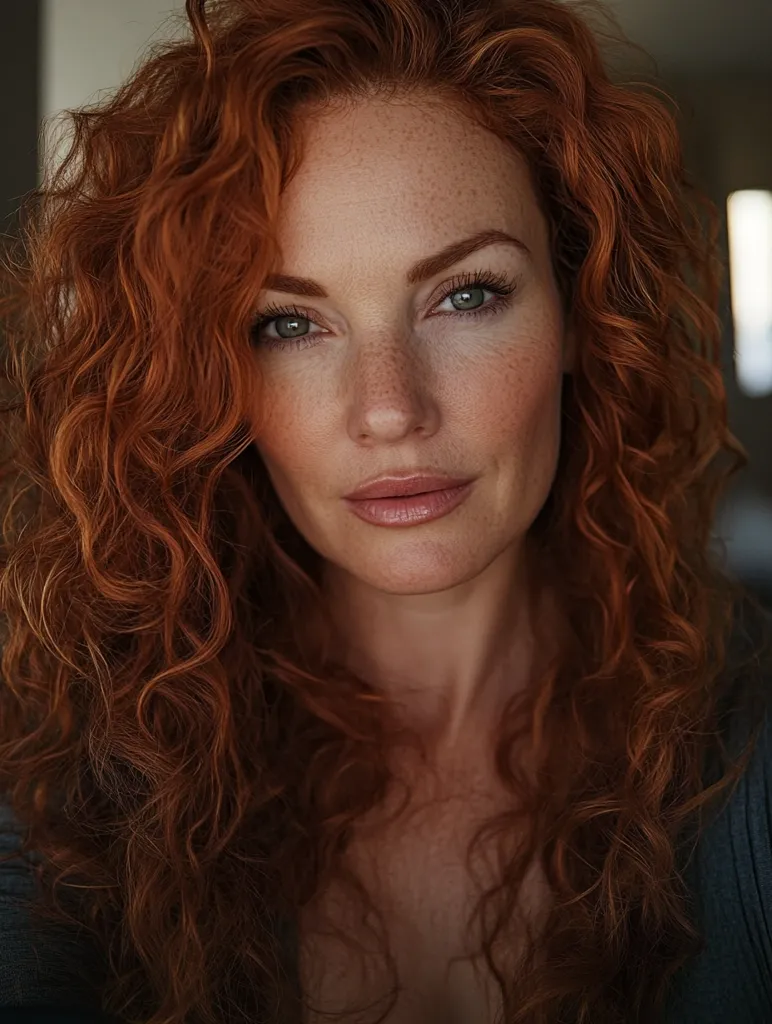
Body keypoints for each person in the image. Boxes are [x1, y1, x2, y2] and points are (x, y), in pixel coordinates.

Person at [0, 0, 770, 1022]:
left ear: (578, 312)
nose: (389, 409)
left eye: (464, 296)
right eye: (287, 322)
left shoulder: (743, 750)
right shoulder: (69, 781)